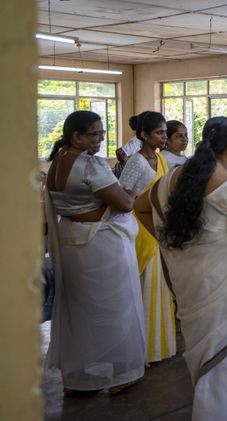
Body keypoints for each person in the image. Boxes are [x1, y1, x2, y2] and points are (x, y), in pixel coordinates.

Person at [134, 116, 227, 420]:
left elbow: (140, 206)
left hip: (188, 285)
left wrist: (170, 242)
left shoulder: (169, 179)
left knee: (208, 363)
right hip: (225, 290)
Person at [44, 111, 146, 394]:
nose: (100, 139)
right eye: (95, 134)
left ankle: (77, 376)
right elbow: (125, 204)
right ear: (76, 136)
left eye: (102, 133)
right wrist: (134, 189)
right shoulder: (90, 165)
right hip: (101, 247)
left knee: (79, 309)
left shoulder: (58, 161)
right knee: (116, 307)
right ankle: (121, 374)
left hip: (71, 243)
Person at [119, 111, 177, 362]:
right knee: (147, 289)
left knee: (162, 289)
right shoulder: (137, 163)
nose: (165, 137)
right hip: (141, 230)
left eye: (165, 132)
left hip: (158, 227)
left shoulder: (159, 158)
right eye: (160, 132)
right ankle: (144, 352)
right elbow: (122, 200)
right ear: (144, 135)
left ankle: (159, 349)